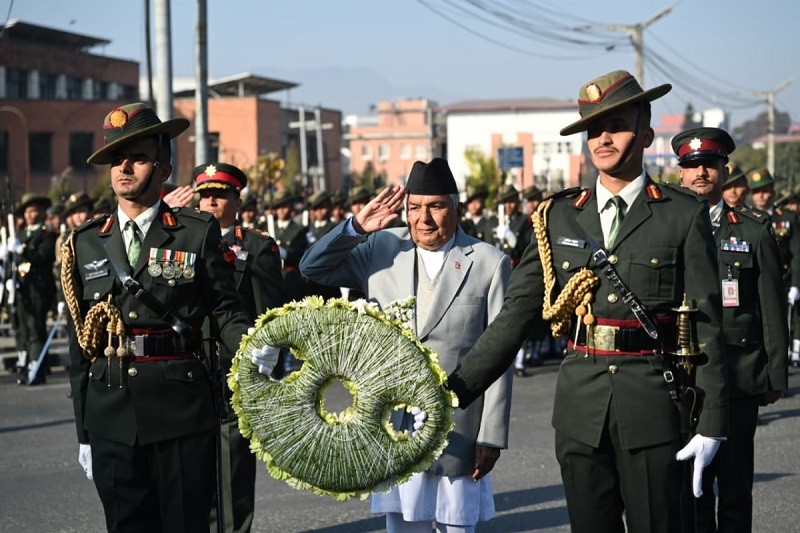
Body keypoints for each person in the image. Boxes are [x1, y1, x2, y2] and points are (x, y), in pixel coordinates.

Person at [443, 70, 728, 533]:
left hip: (653, 412)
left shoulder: (681, 214)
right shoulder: (557, 216)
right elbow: (515, 316)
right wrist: (452, 391)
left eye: (615, 125)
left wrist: (712, 421)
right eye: (593, 129)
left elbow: (709, 326)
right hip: (580, 414)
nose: (603, 138)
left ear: (646, 133)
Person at [63, 102, 251, 532]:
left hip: (179, 410)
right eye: (116, 158)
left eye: (138, 157)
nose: (124, 167)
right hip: (110, 411)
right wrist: (83, 431)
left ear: (164, 167)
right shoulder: (87, 241)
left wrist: (253, 347)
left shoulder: (193, 230)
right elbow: (80, 344)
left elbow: (224, 310)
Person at [300, 158, 513, 533]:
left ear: (455, 208)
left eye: (435, 206)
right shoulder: (383, 248)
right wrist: (355, 228)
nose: (423, 219)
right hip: (392, 425)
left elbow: (500, 355)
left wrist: (491, 436)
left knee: (456, 525)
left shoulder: (488, 262)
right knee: (401, 526)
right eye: (414, 208)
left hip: (458, 426)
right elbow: (312, 268)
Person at [674, 126, 788, 532]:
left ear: (725, 171)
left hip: (738, 378)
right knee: (692, 490)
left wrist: (775, 375)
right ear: (680, 174)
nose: (701, 172)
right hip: (684, 380)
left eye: (710, 164)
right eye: (692, 165)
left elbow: (771, 309)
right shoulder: (665, 228)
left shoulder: (752, 231)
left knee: (736, 490)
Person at [192, 162, 284, 533]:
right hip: (189, 368)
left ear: (237, 199)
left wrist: (268, 374)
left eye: (220, 195)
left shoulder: (258, 247)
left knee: (233, 471)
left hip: (235, 368)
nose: (211, 202)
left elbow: (269, 314)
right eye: (204, 195)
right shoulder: (181, 241)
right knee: (192, 471)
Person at [748, 167, 800, 367]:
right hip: (755, 281)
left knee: (780, 326)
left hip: (783, 279)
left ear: (773, 191)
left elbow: (797, 254)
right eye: (756, 191)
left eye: (765, 190)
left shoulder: (786, 218)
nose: (761, 195)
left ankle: (780, 367)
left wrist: (796, 284)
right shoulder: (745, 217)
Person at [13, 193, 57, 384]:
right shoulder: (21, 234)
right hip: (23, 287)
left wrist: (23, 251)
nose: (32, 214)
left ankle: (35, 369)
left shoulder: (46, 234)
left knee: (35, 327)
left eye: (35, 210)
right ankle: (27, 363)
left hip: (39, 287)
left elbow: (44, 256)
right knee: (23, 325)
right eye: (29, 211)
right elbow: (16, 260)